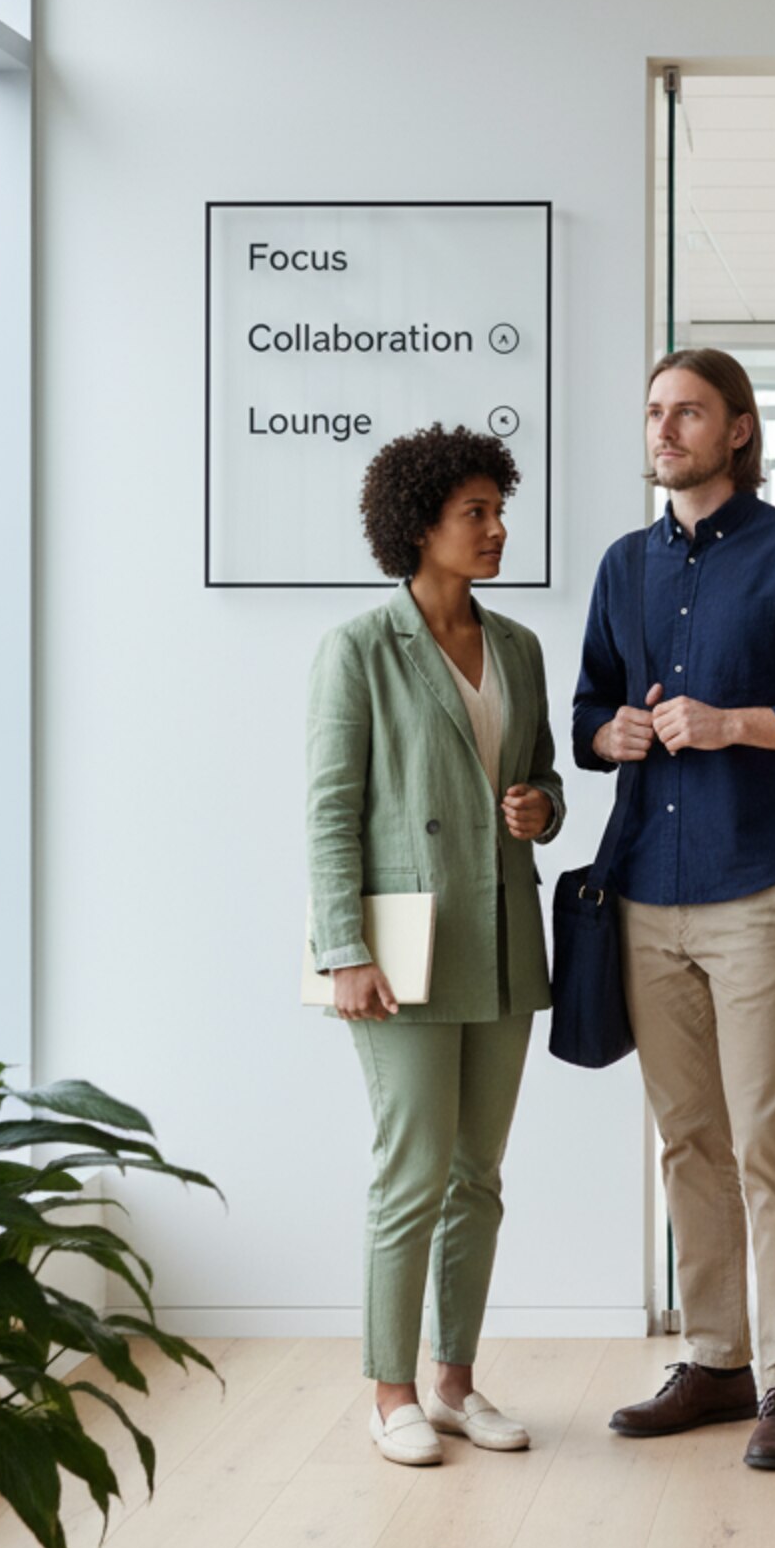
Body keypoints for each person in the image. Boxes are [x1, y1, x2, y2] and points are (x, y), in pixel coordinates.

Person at [573, 348, 775, 1471]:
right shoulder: (622, 565)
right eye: (654, 410)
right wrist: (609, 732)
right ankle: (713, 1360)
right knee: (686, 1140)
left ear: (738, 429)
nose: (665, 428)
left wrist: (732, 722)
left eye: (689, 412)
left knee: (767, 1137)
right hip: (644, 896)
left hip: (754, 883)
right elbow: (587, 712)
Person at [306, 423, 565, 1468]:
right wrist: (341, 947)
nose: (497, 528)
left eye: (498, 511)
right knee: (408, 1173)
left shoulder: (519, 648)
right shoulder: (359, 647)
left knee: (478, 1177)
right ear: (421, 525)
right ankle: (390, 1390)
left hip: (501, 934)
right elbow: (330, 807)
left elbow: (545, 775)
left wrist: (540, 807)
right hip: (402, 948)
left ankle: (455, 1383)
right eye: (477, 513)